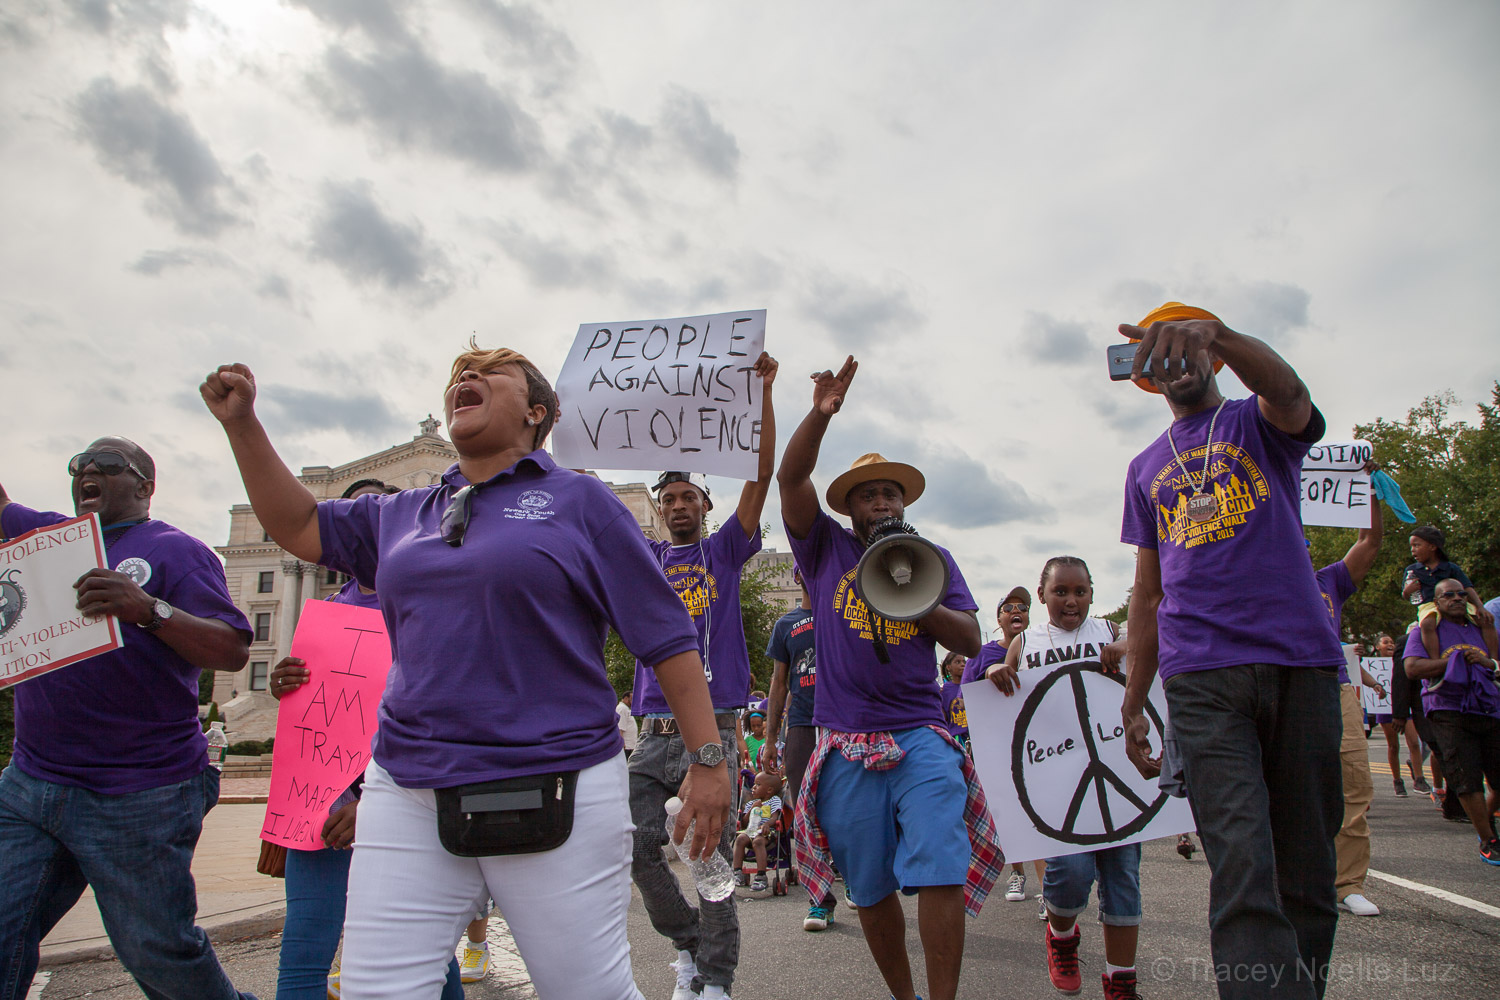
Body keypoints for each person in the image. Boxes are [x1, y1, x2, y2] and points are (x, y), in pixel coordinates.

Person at [201, 349, 730, 1000]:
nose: (466, 379)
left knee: (587, 991)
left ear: (536, 413)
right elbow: (299, 522)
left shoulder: (581, 501)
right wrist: (243, 424)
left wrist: (708, 760)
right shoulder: (402, 514)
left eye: (491, 372)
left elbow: (667, 639)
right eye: (459, 375)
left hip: (554, 783)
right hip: (407, 788)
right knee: (379, 992)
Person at [1117, 303, 1345, 1000]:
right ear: (1146, 375)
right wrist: (1134, 699)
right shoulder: (1144, 467)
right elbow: (1147, 592)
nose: (1175, 365)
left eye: (1185, 348)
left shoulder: (1255, 421)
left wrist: (1219, 334)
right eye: (1160, 357)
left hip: (1299, 660)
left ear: (1212, 357)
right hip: (1202, 678)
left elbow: (1291, 394)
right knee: (1243, 863)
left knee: (1306, 867)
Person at [0, 440, 258, 1000]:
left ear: (145, 487)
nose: (89, 470)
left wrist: (147, 609)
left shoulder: (175, 551)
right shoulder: (47, 540)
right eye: (80, 465)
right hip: (31, 782)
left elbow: (233, 650)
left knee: (158, 951)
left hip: (139, 790)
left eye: (110, 464)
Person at [779, 355, 998, 1000]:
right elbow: (791, 477)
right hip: (845, 740)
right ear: (850, 508)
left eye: (890, 493)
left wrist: (913, 595)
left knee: (941, 868)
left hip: (921, 734)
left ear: (904, 503)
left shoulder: (934, 559)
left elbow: (969, 639)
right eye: (867, 495)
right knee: (869, 886)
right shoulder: (825, 548)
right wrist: (820, 415)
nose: (881, 502)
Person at [266, 481, 466, 1000]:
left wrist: (377, 798)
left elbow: (449, 707)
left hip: (402, 801)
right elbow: (316, 715)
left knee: (426, 954)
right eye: (350, 512)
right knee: (304, 954)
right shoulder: (329, 608)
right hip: (321, 805)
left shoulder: (435, 601)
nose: (359, 524)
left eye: (375, 510)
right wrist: (284, 683)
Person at [628, 351, 776, 1000]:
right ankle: (688, 944)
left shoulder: (723, 552)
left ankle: (715, 978)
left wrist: (763, 396)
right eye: (669, 498)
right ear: (660, 510)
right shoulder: (645, 559)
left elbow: (760, 474)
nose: (678, 504)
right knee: (635, 848)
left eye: (689, 495)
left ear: (707, 505)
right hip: (651, 732)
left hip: (711, 727)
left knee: (709, 858)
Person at [987, 556, 1139, 1000]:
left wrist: (1127, 647)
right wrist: (995, 671)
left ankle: (1121, 979)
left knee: (1123, 878)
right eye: (1060, 592)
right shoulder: (1026, 642)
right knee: (1070, 873)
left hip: (1116, 777)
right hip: (1057, 782)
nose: (1071, 601)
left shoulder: (1109, 631)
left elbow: (1149, 645)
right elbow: (1005, 693)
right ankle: (1062, 937)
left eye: (1080, 592)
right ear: (1042, 596)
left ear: (1092, 593)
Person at [1309, 476, 1387, 919]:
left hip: (1334, 687)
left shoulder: (1330, 581)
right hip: (1282, 687)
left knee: (1354, 784)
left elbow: (1369, 542)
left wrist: (1368, 490)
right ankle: (1284, 878)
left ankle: (1348, 884)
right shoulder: (1256, 580)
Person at [761, 566, 841, 931]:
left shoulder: (841, 613)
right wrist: (770, 739)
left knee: (848, 807)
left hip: (844, 723)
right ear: (797, 576)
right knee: (805, 814)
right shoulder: (786, 624)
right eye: (804, 567)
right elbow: (778, 683)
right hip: (801, 725)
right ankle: (819, 900)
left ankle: (856, 881)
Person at [1402, 578, 1500, 864]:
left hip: (1489, 708)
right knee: (1466, 778)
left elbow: (1496, 664)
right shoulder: (1425, 630)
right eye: (1448, 595)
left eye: (1460, 594)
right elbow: (1412, 668)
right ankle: (1488, 839)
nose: (1456, 598)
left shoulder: (1484, 627)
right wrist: (1456, 661)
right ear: (1437, 602)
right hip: (1448, 711)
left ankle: (1485, 821)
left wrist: (1487, 662)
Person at [958, 587, 1044, 907]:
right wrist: (990, 672)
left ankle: (1048, 891)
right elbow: (965, 697)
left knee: (1040, 813)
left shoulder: (1038, 646)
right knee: (1008, 815)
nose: (1016, 611)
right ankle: (1017, 873)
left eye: (1022, 606)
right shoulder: (982, 654)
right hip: (998, 747)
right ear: (999, 619)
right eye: (1008, 607)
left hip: (1037, 746)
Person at [1404, 525, 1493, 659]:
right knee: (1427, 624)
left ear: (1432, 546)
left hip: (1456, 602)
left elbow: (1467, 588)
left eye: (1416, 545)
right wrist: (1408, 591)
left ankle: (1494, 658)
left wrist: (1480, 606)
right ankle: (1435, 659)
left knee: (1486, 620)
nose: (1413, 550)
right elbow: (1407, 596)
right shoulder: (1412, 571)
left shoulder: (1451, 567)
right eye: (1411, 546)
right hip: (1429, 605)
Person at [732, 772, 784, 894]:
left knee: (758, 841)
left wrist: (767, 824)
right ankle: (737, 872)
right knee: (740, 839)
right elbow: (744, 823)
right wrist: (752, 809)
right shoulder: (751, 803)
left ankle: (761, 876)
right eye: (754, 784)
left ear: (769, 790)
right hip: (750, 830)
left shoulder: (773, 801)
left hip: (766, 832)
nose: (753, 787)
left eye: (758, 785)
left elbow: (775, 817)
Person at [938, 651, 968, 747]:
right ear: (948, 667)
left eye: (964, 661)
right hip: (957, 737)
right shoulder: (944, 690)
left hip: (973, 733)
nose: (962, 664)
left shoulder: (970, 685)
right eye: (957, 662)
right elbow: (944, 717)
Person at [618, 689, 638, 761]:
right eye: (631, 699)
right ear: (626, 698)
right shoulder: (622, 708)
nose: (633, 702)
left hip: (630, 745)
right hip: (627, 746)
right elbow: (620, 727)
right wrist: (622, 743)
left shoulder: (626, 709)